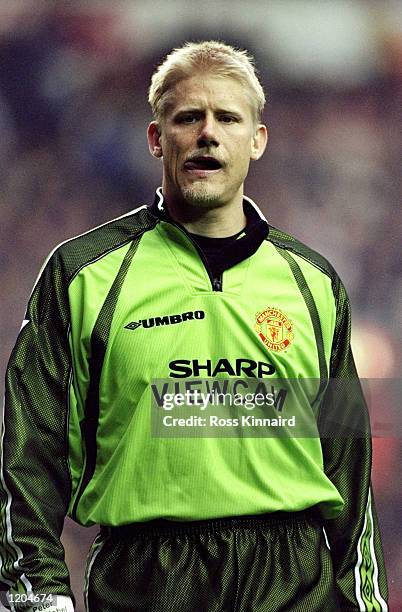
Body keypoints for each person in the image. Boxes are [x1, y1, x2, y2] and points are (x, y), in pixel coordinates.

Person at [0, 41, 388, 612]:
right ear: (158, 138)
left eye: (228, 118)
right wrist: (36, 594)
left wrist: (366, 602)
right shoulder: (82, 275)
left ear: (257, 140)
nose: (209, 133)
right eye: (189, 117)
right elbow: (30, 449)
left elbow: (348, 469)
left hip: (294, 585)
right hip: (146, 583)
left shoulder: (315, 284)